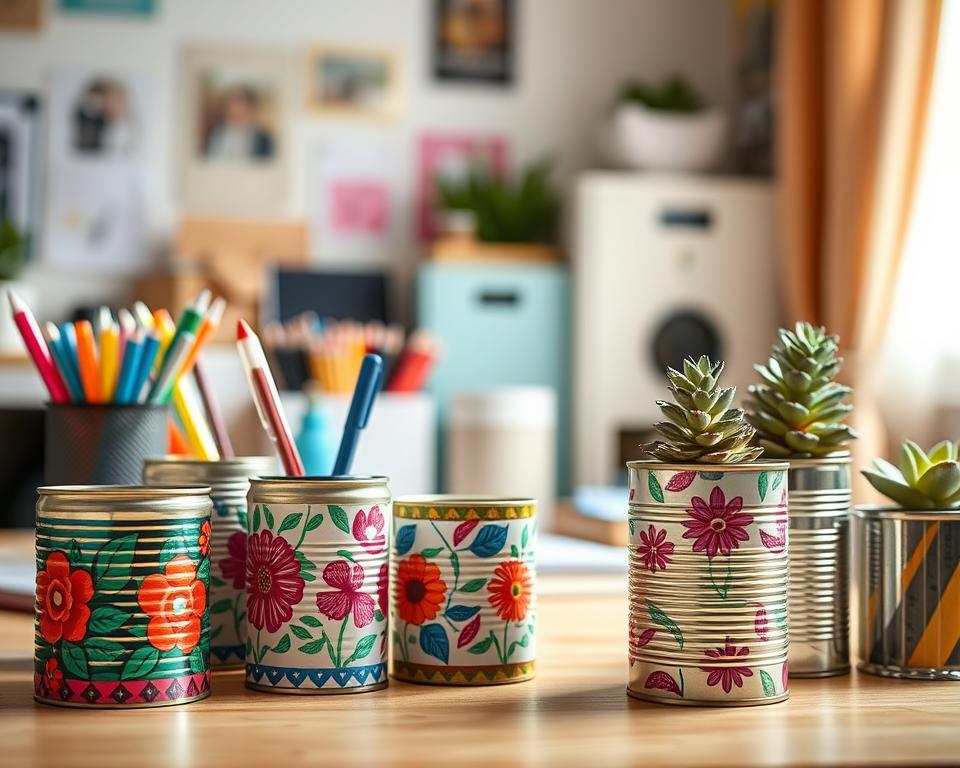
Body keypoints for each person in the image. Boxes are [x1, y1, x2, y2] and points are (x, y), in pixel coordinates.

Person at [203, 85, 274, 161]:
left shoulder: (264, 139)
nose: (234, 110)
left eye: (239, 103)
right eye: (230, 105)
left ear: (250, 108)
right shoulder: (217, 132)